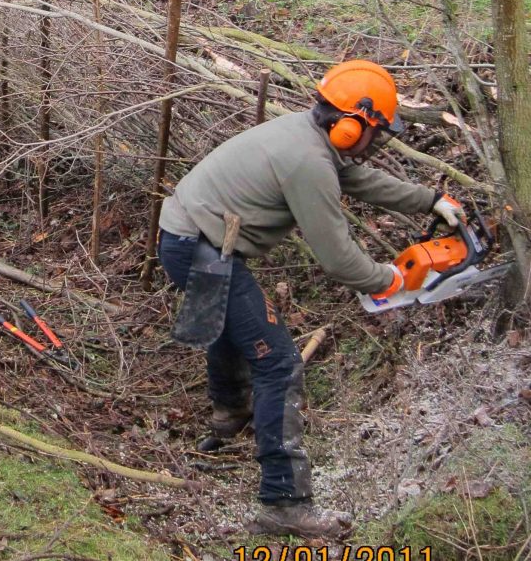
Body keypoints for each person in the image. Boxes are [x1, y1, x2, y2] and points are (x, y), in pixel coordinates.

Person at [158, 60, 466, 539]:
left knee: (229, 326)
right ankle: (284, 502)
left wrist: (429, 200)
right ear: (349, 124)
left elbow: (357, 181)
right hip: (200, 247)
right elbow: (339, 259)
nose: (377, 141)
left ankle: (229, 413)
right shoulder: (306, 160)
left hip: (189, 233)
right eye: (376, 131)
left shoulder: (309, 136)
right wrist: (389, 279)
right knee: (279, 362)